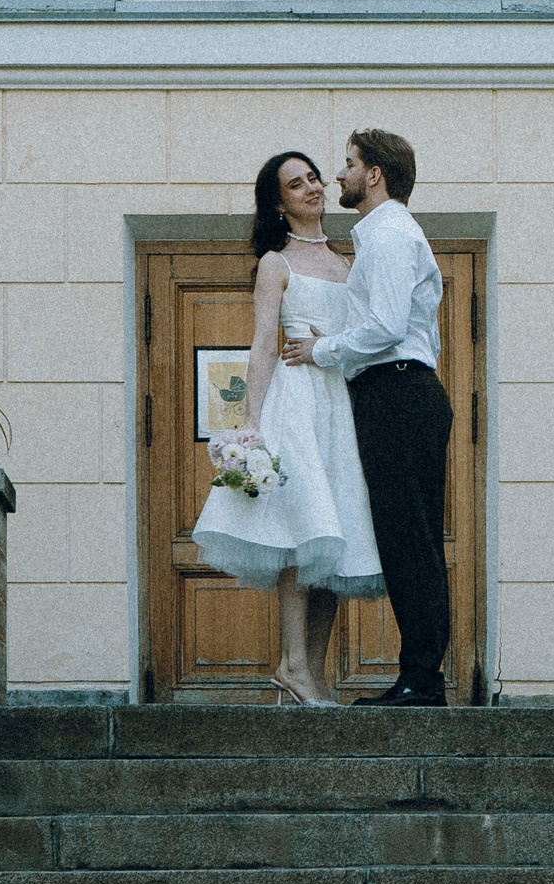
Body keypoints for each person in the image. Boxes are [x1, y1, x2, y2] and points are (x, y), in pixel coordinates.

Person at [190, 150, 385, 706]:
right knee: (302, 531)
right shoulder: (276, 263)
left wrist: (335, 345)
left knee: (335, 536)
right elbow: (262, 345)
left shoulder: (348, 264)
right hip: (297, 404)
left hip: (339, 405)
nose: (311, 189)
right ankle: (292, 662)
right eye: (296, 185)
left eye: (314, 178)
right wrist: (249, 424)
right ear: (280, 202)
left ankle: (312, 674)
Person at [281, 128, 451, 707]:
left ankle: (422, 680)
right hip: (395, 391)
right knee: (407, 538)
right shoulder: (383, 236)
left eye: (349, 164)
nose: (339, 176)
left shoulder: (389, 234)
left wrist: (321, 351)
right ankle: (419, 676)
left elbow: (386, 327)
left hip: (399, 394)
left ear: (374, 174)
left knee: (412, 540)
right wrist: (345, 344)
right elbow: (389, 325)